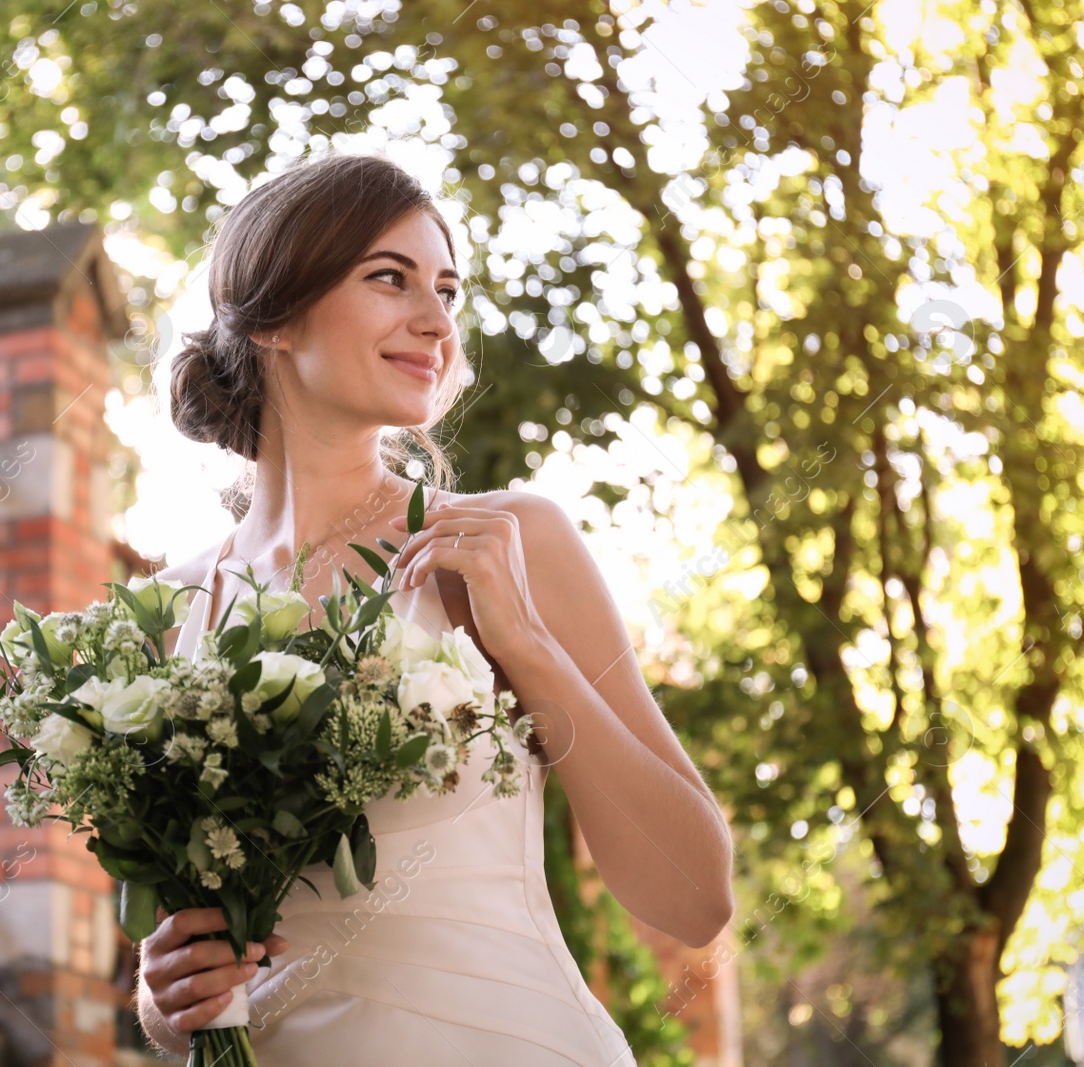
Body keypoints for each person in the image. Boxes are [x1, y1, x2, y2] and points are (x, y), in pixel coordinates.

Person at [137, 148, 734, 1065]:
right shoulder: (169, 613)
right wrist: (164, 996)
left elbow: (695, 896)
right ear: (273, 318)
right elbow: (189, 946)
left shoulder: (506, 542)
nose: (436, 322)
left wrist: (526, 645)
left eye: (447, 291)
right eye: (391, 279)